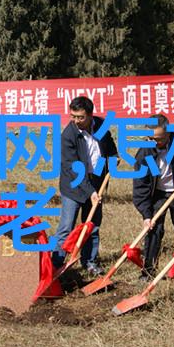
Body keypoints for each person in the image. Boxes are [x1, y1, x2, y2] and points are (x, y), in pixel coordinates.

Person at [52, 96, 117, 276]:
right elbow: (73, 169)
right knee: (66, 226)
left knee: (92, 226)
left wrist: (113, 156)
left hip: (96, 181)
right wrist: (90, 192)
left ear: (90, 115)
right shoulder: (68, 135)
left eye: (80, 117)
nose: (76, 120)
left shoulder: (101, 125)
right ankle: (56, 264)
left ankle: (89, 261)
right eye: (73, 116)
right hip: (74, 185)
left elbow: (109, 145)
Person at [132, 114, 174, 281]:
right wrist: (146, 215)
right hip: (157, 195)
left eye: (158, 139)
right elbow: (141, 188)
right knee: (153, 231)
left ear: (169, 133)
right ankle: (148, 271)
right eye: (150, 138)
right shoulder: (144, 153)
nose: (154, 142)